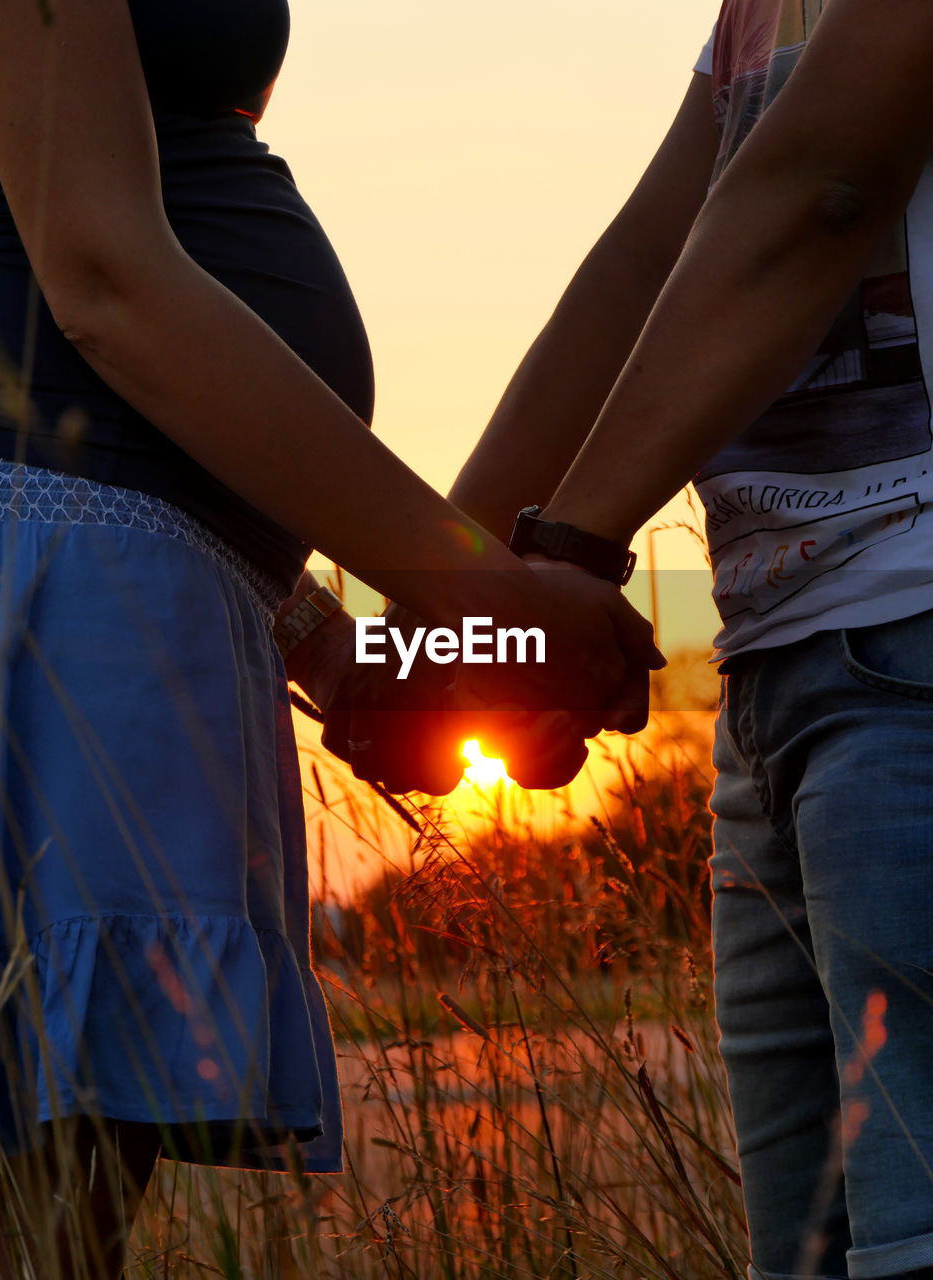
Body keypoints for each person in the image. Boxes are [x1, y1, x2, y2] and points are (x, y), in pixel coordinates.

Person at [0, 1, 663, 1276]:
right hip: (36, 588)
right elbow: (103, 279)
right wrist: (476, 593)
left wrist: (338, 647)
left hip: (130, 591)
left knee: (57, 1226)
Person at [319, 0, 933, 1276]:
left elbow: (825, 185)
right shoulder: (753, 16)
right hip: (788, 677)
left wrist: (574, 557)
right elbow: (642, 270)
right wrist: (434, 623)